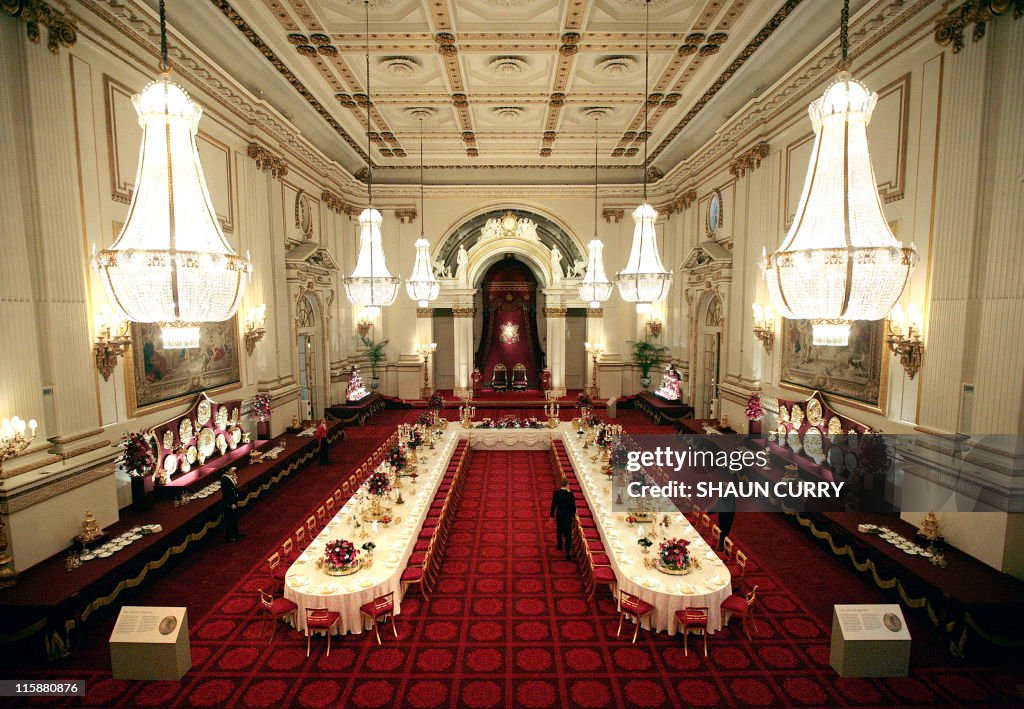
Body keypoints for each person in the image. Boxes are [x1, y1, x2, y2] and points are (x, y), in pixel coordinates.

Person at [549, 477, 576, 561]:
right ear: (567, 485)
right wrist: (573, 516)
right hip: (567, 516)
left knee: (559, 530)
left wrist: (551, 515)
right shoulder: (570, 494)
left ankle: (559, 544)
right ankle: (567, 552)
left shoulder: (556, 493)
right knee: (568, 534)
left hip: (559, 515)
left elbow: (553, 505)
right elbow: (573, 507)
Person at [220, 467, 243, 542]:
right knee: (230, 520)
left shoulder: (229, 477)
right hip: (229, 503)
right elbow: (227, 493)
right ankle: (230, 536)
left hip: (233, 500)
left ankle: (235, 534)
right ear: (226, 472)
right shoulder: (224, 480)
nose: (232, 471)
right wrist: (231, 503)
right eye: (230, 470)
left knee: (234, 518)